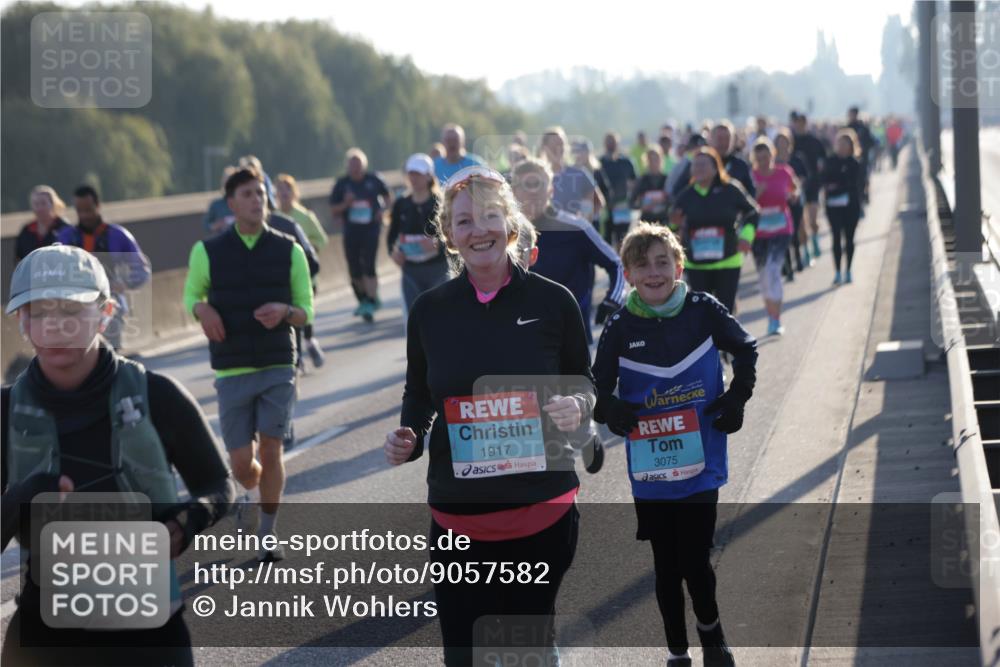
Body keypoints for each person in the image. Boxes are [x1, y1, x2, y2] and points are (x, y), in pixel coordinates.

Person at [384, 164, 595, 667]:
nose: (478, 229)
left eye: (490, 216)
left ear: (512, 226)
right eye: (463, 222)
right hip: (459, 515)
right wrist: (409, 434)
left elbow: (585, 383)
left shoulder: (553, 301)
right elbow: (419, 393)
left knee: (522, 649)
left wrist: (577, 405)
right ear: (450, 238)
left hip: (540, 513)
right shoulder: (431, 311)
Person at [2, 245, 234, 666]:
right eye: (39, 312)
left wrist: (187, 521)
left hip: (150, 634)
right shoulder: (5, 414)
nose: (55, 326)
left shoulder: (157, 395)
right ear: (22, 321)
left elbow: (219, 485)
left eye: (72, 310)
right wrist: (24, 497)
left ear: (106, 313)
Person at [592, 222, 756, 667]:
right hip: (651, 470)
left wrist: (737, 396)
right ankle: (677, 652)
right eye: (642, 265)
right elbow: (595, 387)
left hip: (700, 459)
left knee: (696, 562)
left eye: (662, 262)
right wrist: (610, 409)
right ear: (627, 274)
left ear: (678, 266)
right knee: (666, 566)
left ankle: (712, 638)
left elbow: (746, 349)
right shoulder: (621, 324)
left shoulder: (703, 309)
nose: (654, 272)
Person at [183, 166, 313, 562]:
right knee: (241, 464)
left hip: (277, 364)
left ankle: (269, 533)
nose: (257, 200)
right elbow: (191, 297)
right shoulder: (208, 251)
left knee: (271, 450)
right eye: (248, 194)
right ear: (231, 203)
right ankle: (251, 494)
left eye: (261, 193)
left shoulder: (289, 249)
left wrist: (285, 310)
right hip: (232, 368)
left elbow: (305, 311)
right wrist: (202, 309)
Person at [511, 158, 626, 340]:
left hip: (572, 338)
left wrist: (613, 300)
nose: (532, 192)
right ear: (514, 192)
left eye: (538, 184)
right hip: (522, 337)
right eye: (526, 185)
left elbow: (616, 264)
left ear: (551, 190)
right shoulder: (503, 233)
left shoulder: (577, 228)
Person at [58, 185, 151, 351]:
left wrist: (126, 284)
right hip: (73, 307)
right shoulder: (65, 237)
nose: (84, 215)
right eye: (80, 210)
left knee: (108, 357)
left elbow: (142, 269)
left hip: (109, 305)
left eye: (88, 209)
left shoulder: (118, 235)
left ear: (98, 206)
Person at [670, 148, 759, 315]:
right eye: (695, 165)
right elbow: (671, 227)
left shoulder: (730, 189)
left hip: (728, 261)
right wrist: (674, 225)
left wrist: (746, 236)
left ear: (715, 167)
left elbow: (753, 212)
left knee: (725, 312)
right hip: (697, 265)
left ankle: (727, 341)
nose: (699, 169)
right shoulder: (686, 196)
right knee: (703, 313)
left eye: (703, 165)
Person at [329, 148, 392, 323]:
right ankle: (365, 298)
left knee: (369, 264)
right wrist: (345, 204)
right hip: (351, 230)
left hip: (371, 228)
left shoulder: (374, 180)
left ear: (364, 165)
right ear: (347, 167)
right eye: (352, 165)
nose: (356, 168)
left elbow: (388, 198)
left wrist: (384, 211)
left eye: (358, 165)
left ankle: (371, 300)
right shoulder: (342, 184)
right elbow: (333, 209)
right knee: (354, 269)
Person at [275, 174, 327, 369]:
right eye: (280, 189)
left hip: (307, 274)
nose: (283, 193)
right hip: (284, 275)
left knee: (304, 310)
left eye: (287, 189)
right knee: (290, 316)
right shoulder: (273, 218)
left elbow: (321, 239)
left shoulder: (304, 217)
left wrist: (308, 249)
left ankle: (310, 342)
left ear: (294, 192)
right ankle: (296, 355)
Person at [387, 153, 449, 317]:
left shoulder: (440, 203)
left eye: (418, 174)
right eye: (411, 173)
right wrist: (393, 253)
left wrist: (438, 244)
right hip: (411, 272)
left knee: (440, 317)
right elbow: (391, 236)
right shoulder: (401, 204)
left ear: (429, 176)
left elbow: (453, 234)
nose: (414, 178)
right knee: (415, 318)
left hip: (438, 270)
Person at [750, 137, 798, 335]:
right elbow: (745, 203)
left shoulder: (783, 172)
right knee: (763, 276)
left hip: (781, 228)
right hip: (759, 232)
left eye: (766, 157)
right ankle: (770, 315)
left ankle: (776, 319)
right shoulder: (751, 176)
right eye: (759, 158)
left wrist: (793, 195)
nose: (763, 161)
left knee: (773, 270)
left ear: (773, 155)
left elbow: (794, 189)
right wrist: (756, 195)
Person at [822, 129, 864, 285]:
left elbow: (856, 184)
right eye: (839, 143)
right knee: (836, 237)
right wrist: (837, 185)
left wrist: (837, 185)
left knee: (849, 238)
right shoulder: (830, 161)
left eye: (845, 144)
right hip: (833, 206)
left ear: (851, 146)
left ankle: (849, 270)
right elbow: (825, 180)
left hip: (851, 205)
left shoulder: (855, 163)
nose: (842, 147)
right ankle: (838, 272)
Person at [791, 113, 827, 265]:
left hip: (813, 184)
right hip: (796, 186)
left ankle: (815, 240)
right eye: (796, 123)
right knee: (800, 224)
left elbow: (823, 159)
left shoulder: (814, 141)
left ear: (806, 123)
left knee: (812, 219)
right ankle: (805, 250)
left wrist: (821, 170)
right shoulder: (791, 142)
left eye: (801, 123)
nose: (799, 125)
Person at [774, 128, 809, 274]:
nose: (782, 144)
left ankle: (799, 257)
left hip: (795, 200)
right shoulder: (774, 162)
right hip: (780, 202)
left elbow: (803, 177)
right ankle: (786, 265)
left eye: (784, 141)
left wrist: (794, 189)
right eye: (779, 142)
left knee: (794, 231)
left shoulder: (797, 159)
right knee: (782, 233)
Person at [599, 132, 637, 250]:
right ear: (605, 144)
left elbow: (634, 181)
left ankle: (621, 266)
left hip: (622, 206)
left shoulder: (626, 162)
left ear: (618, 143)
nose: (611, 145)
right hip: (605, 208)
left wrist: (631, 200)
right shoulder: (599, 163)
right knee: (606, 241)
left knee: (623, 240)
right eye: (609, 142)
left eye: (613, 142)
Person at [15, 185, 71, 261]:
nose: (40, 208)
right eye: (36, 204)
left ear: (53, 204)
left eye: (43, 203)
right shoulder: (26, 231)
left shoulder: (65, 229)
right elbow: (19, 260)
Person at [630, 146, 671, 228]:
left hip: (663, 221)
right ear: (646, 161)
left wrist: (664, 202)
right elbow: (631, 202)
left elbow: (674, 200)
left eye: (656, 159)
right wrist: (642, 206)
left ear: (661, 160)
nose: (654, 163)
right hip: (646, 222)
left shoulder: (667, 179)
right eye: (651, 160)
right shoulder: (642, 180)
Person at [846, 107, 875, 204]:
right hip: (849, 159)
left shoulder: (863, 128)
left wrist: (863, 149)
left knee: (863, 178)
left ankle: (864, 196)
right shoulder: (847, 128)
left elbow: (871, 142)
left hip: (862, 158)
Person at [203, 166, 237, 237]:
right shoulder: (216, 205)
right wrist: (216, 225)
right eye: (226, 182)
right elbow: (206, 225)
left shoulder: (243, 204)